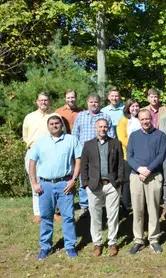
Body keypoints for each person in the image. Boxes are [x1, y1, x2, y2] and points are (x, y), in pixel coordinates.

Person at [29, 115, 82, 259]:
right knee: (46, 217)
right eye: (51, 124)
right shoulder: (41, 142)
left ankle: (70, 246)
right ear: (48, 126)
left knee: (68, 216)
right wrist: (34, 183)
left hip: (64, 184)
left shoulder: (71, 140)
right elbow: (32, 162)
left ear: (62, 125)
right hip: (45, 185)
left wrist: (73, 180)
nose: (54, 125)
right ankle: (45, 247)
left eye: (57, 123)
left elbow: (78, 160)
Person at [80, 118, 124, 257]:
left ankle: (112, 243)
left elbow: (120, 164)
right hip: (94, 186)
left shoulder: (116, 143)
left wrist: (119, 181)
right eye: (100, 126)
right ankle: (97, 244)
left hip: (111, 185)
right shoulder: (88, 145)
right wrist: (86, 184)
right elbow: (84, 166)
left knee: (113, 215)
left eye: (105, 127)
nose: (102, 129)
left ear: (108, 128)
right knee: (96, 216)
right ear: (95, 128)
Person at [127, 109, 166, 255]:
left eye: (147, 119)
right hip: (136, 176)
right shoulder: (134, 136)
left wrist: (148, 170)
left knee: (153, 209)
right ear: (139, 120)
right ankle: (138, 239)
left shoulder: (160, 135)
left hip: (154, 176)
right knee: (137, 209)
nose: (145, 121)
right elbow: (129, 156)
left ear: (152, 119)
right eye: (142, 119)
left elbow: (161, 155)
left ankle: (154, 239)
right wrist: (139, 169)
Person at [72, 93, 114, 216]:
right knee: (83, 178)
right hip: (84, 153)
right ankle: (85, 206)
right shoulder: (80, 116)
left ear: (99, 103)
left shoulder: (105, 116)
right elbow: (75, 135)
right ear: (87, 103)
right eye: (91, 102)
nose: (93, 104)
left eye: (96, 102)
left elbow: (111, 135)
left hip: (101, 151)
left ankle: (101, 204)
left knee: (101, 177)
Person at [23, 92, 59, 223]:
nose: (43, 102)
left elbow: (62, 133)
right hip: (33, 152)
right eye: (41, 100)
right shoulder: (29, 117)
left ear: (49, 102)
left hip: (52, 153)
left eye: (46, 100)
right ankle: (38, 212)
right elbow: (25, 136)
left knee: (52, 182)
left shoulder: (55, 117)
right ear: (37, 102)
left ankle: (53, 211)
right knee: (35, 182)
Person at [116, 99, 141, 214]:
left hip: (140, 156)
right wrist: (133, 148)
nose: (135, 108)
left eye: (136, 106)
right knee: (127, 182)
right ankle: (126, 207)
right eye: (132, 106)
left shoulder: (141, 119)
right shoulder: (124, 121)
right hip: (127, 156)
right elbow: (122, 137)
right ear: (127, 108)